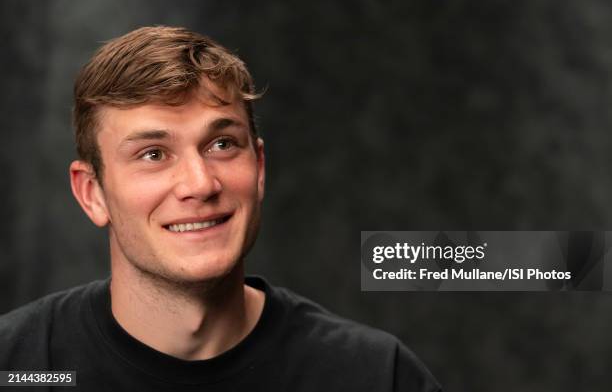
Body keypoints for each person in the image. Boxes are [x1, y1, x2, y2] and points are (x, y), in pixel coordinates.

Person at [0, 26, 441, 391]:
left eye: (222, 144)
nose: (200, 183)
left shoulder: (375, 377)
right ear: (92, 193)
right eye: (153, 154)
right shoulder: (16, 365)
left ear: (260, 167)